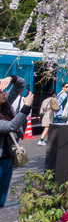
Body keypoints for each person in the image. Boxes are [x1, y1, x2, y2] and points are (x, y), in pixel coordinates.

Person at [0, 75, 34, 207]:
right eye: (0, 91)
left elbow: (20, 85)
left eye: (2, 90)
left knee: (1, 200)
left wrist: (11, 78)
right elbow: (10, 126)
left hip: (7, 158)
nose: (4, 92)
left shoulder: (4, 104)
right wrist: (26, 107)